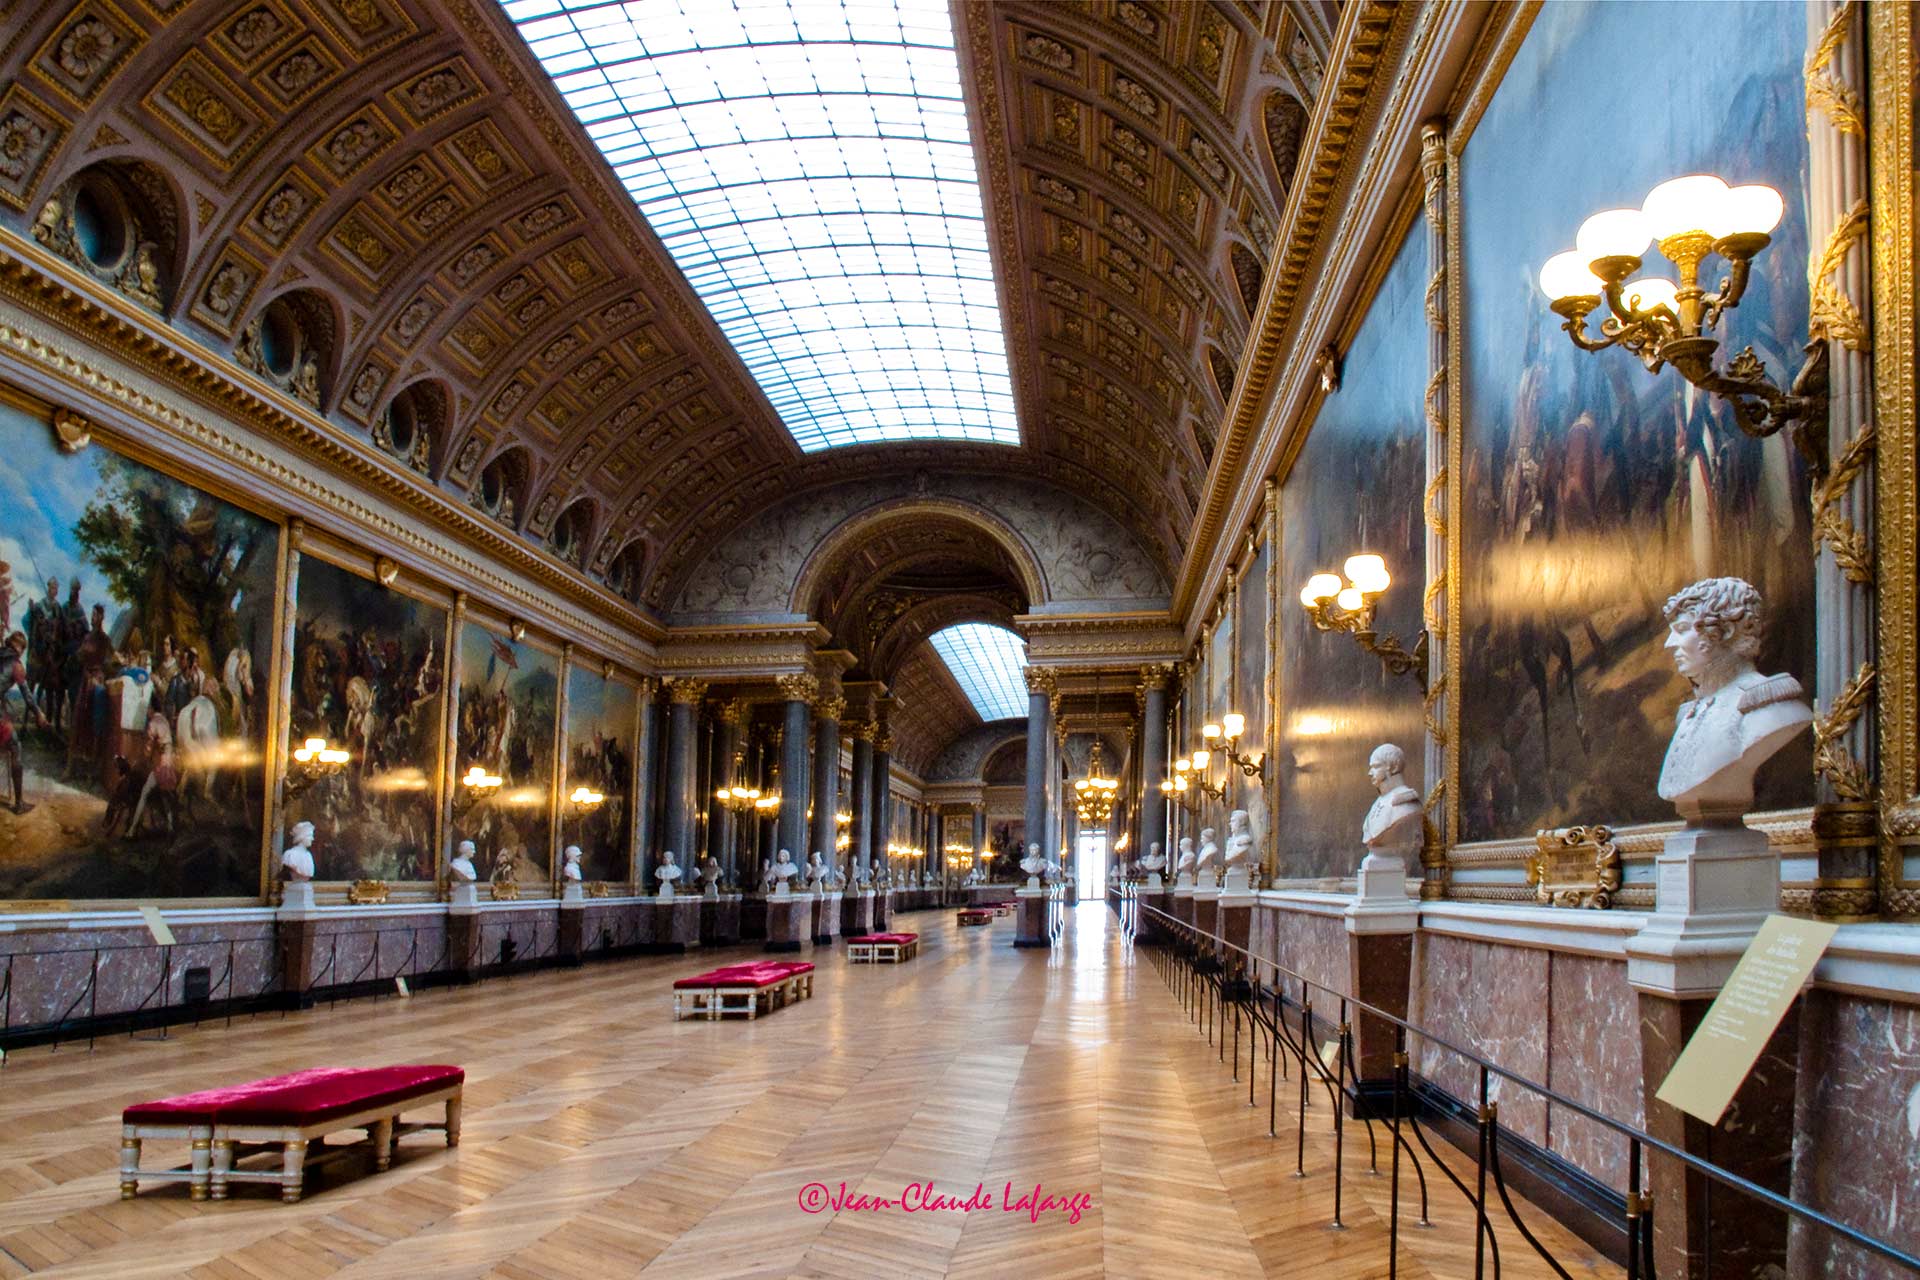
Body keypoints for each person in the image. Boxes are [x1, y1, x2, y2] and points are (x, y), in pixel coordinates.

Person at [0, 630, 45, 813]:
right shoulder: (16, 665)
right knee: (15, 746)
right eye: (23, 648)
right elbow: (27, 695)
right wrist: (39, 714)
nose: (22, 652)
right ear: (18, 648)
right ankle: (18, 804)